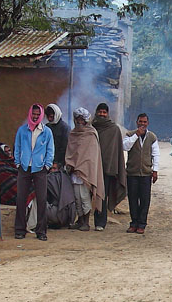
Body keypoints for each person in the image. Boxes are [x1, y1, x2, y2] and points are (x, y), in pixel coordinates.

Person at [14, 104, 55, 240]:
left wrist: (47, 165)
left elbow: (50, 150)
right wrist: (18, 163)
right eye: (34, 114)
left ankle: (41, 231)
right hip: (24, 168)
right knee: (21, 198)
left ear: (41, 115)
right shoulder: (22, 130)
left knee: (42, 199)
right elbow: (17, 147)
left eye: (38, 114)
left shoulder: (46, 131)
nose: (35, 116)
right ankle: (20, 230)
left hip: (40, 169)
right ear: (30, 114)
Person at [65, 107, 105, 232]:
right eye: (77, 119)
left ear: (86, 120)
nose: (79, 121)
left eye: (82, 119)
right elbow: (71, 151)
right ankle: (80, 220)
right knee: (76, 198)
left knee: (84, 198)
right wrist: (71, 164)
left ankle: (86, 223)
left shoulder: (91, 134)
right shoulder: (73, 133)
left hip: (86, 172)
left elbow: (91, 156)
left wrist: (82, 167)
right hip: (74, 172)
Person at [91, 102, 127, 231]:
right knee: (87, 195)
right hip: (92, 168)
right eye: (100, 111)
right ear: (96, 112)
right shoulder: (91, 128)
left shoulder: (114, 129)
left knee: (102, 195)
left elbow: (116, 151)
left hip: (107, 169)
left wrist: (112, 166)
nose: (102, 114)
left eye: (104, 112)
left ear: (108, 114)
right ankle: (83, 221)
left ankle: (100, 222)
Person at [123, 113, 159, 234]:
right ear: (136, 122)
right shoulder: (129, 134)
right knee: (132, 199)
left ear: (147, 123)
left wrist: (155, 170)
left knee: (145, 199)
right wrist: (136, 135)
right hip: (132, 173)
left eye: (144, 122)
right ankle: (133, 223)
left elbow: (156, 154)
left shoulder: (152, 137)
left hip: (146, 173)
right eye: (140, 122)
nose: (142, 124)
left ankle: (142, 224)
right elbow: (125, 147)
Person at [45, 103, 69, 169]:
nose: (49, 119)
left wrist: (57, 163)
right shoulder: (46, 127)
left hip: (59, 163)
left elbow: (64, 148)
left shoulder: (65, 128)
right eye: (48, 117)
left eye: (51, 117)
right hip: (47, 161)